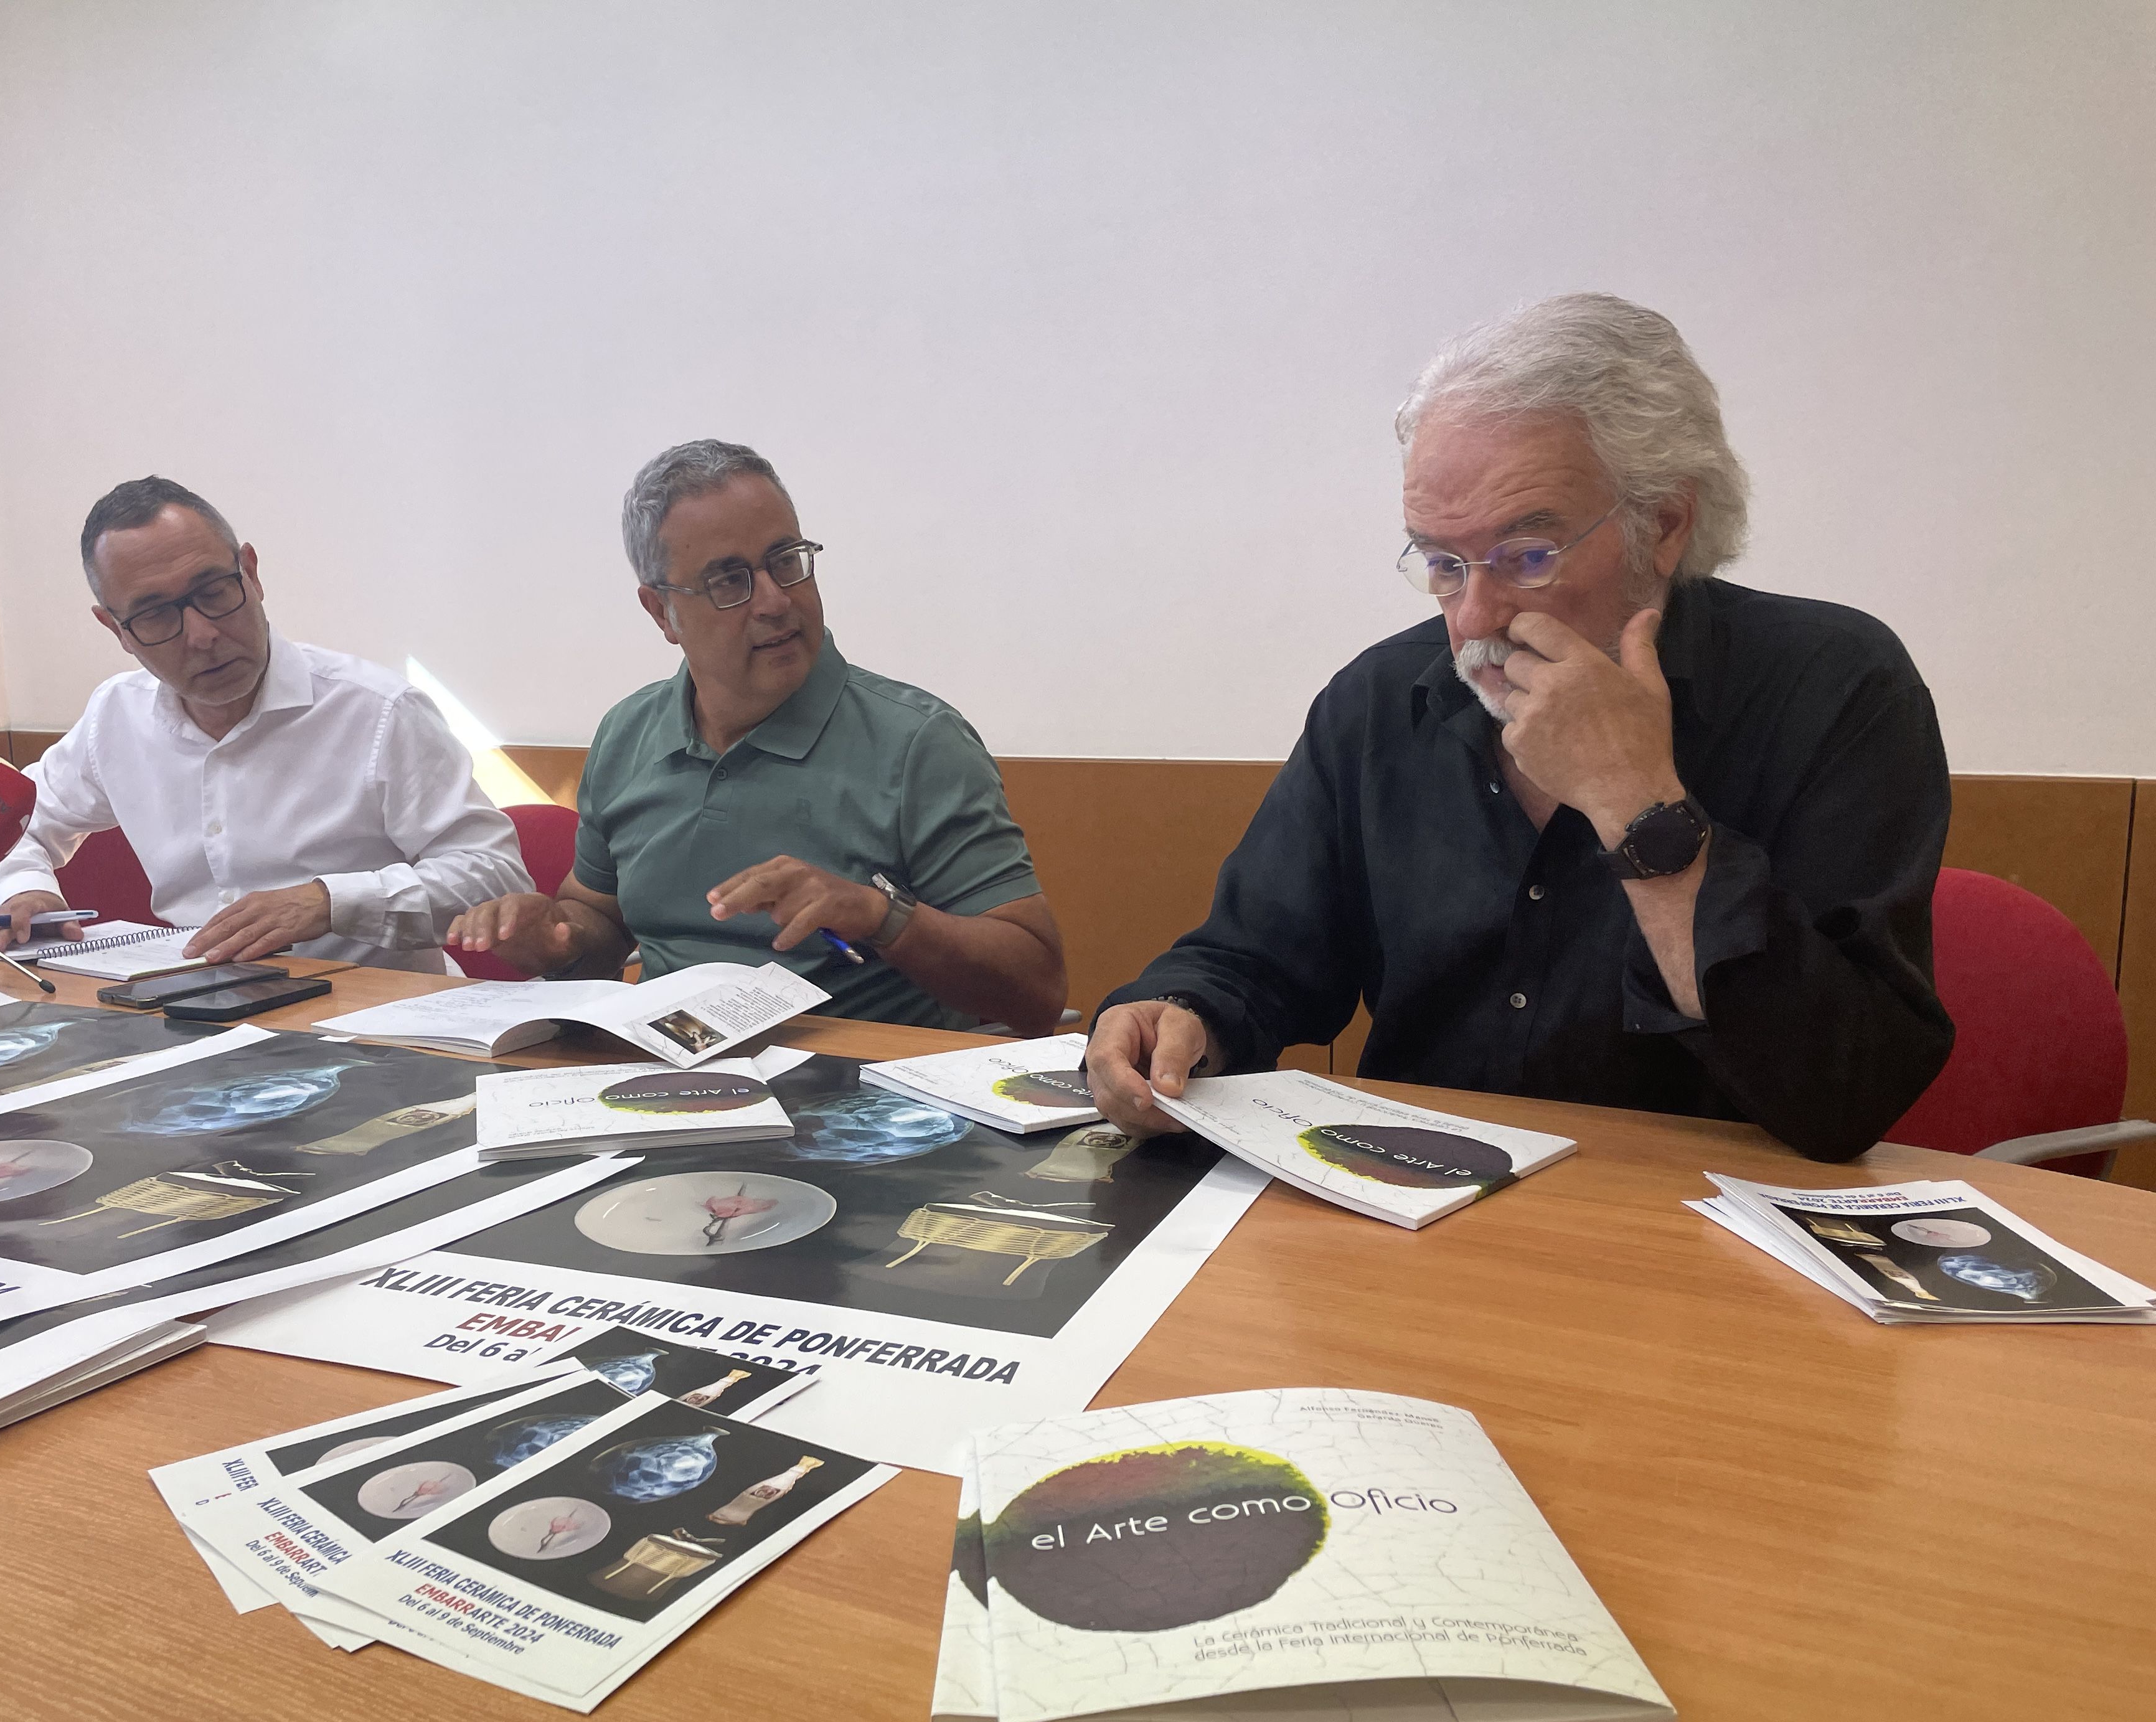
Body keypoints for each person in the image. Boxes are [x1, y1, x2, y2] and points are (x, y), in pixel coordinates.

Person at [1086, 293, 1952, 1162]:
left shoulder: (1838, 687)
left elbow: (1848, 1095)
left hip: (1707, 1238)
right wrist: (1180, 1010)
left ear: (1664, 524)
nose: (1474, 616)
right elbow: (1257, 959)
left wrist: (1636, 803)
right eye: (1441, 562)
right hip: (1412, 1211)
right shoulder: (1383, 700)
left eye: (1527, 557)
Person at [450, 440, 1066, 1034]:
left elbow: (1037, 994)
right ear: (661, 611)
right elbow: (600, 926)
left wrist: (881, 916)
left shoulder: (918, 744)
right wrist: (556, 939)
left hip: (863, 1111)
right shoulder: (628, 735)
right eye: (729, 581)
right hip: (668, 1086)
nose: (775, 601)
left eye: (786, 561)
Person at [0, 477, 530, 972]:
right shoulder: (115, 716)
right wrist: (27, 890)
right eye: (156, 615)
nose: (202, 634)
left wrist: (329, 903)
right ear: (116, 629)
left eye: (215, 592)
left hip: (368, 1023)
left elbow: (494, 876)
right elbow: (3, 825)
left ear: (253, 574)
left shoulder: (378, 710)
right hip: (190, 1010)